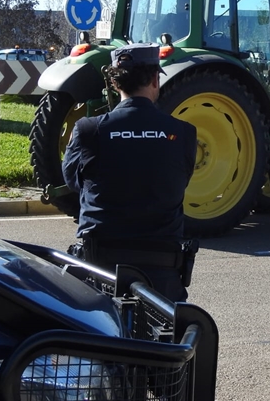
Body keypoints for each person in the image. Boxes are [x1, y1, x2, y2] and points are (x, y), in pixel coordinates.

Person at [62, 43, 198, 301]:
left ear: (115, 84)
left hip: (100, 269)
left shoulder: (88, 130)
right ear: (155, 80)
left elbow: (73, 180)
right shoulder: (183, 133)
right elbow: (181, 179)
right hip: (162, 272)